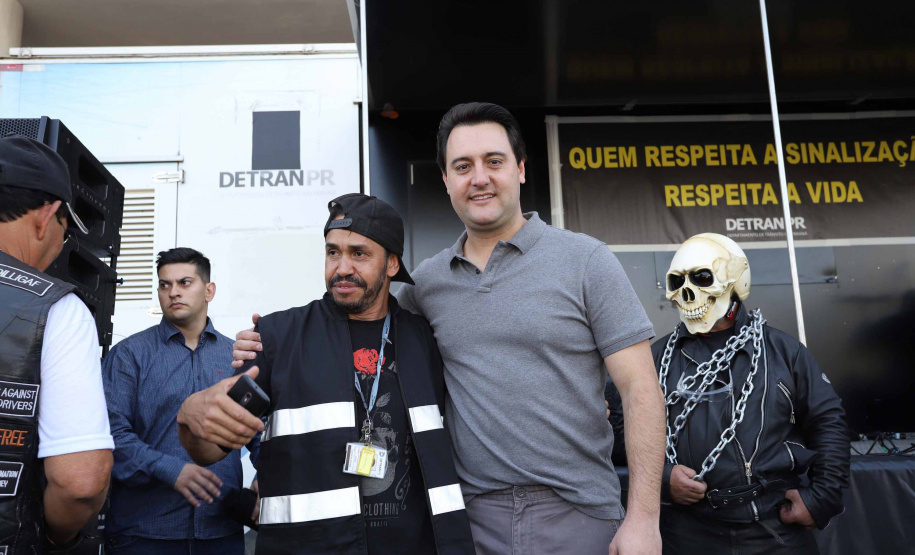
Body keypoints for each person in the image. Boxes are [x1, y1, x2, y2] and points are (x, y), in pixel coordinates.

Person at [233, 102, 666, 555]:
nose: (478, 178)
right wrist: (270, 343)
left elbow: (640, 390)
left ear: (520, 169)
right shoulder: (425, 287)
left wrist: (643, 518)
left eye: (493, 161)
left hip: (578, 516)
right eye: (463, 166)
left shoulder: (586, 261)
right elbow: (354, 322)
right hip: (469, 522)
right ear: (446, 180)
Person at [177, 194, 475, 554]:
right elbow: (209, 448)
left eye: (359, 254)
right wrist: (188, 419)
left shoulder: (425, 338)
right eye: (333, 252)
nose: (342, 268)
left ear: (392, 263)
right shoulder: (277, 337)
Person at [654, 233, 849, 554]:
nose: (688, 292)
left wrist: (821, 499)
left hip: (773, 528)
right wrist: (663, 478)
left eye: (703, 279)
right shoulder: (656, 359)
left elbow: (828, 422)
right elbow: (621, 433)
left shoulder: (784, 352)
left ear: (734, 282)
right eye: (677, 281)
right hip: (685, 533)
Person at [0, 136, 114, 553]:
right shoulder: (57, 311)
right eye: (66, 235)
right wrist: (54, 539)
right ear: (47, 216)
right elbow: (81, 481)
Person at [101, 248, 246, 554]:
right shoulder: (130, 355)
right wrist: (171, 469)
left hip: (222, 533)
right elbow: (109, 433)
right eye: (164, 285)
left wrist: (266, 481)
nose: (173, 292)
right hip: (145, 534)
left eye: (184, 283)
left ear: (209, 291)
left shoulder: (236, 356)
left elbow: (261, 432)